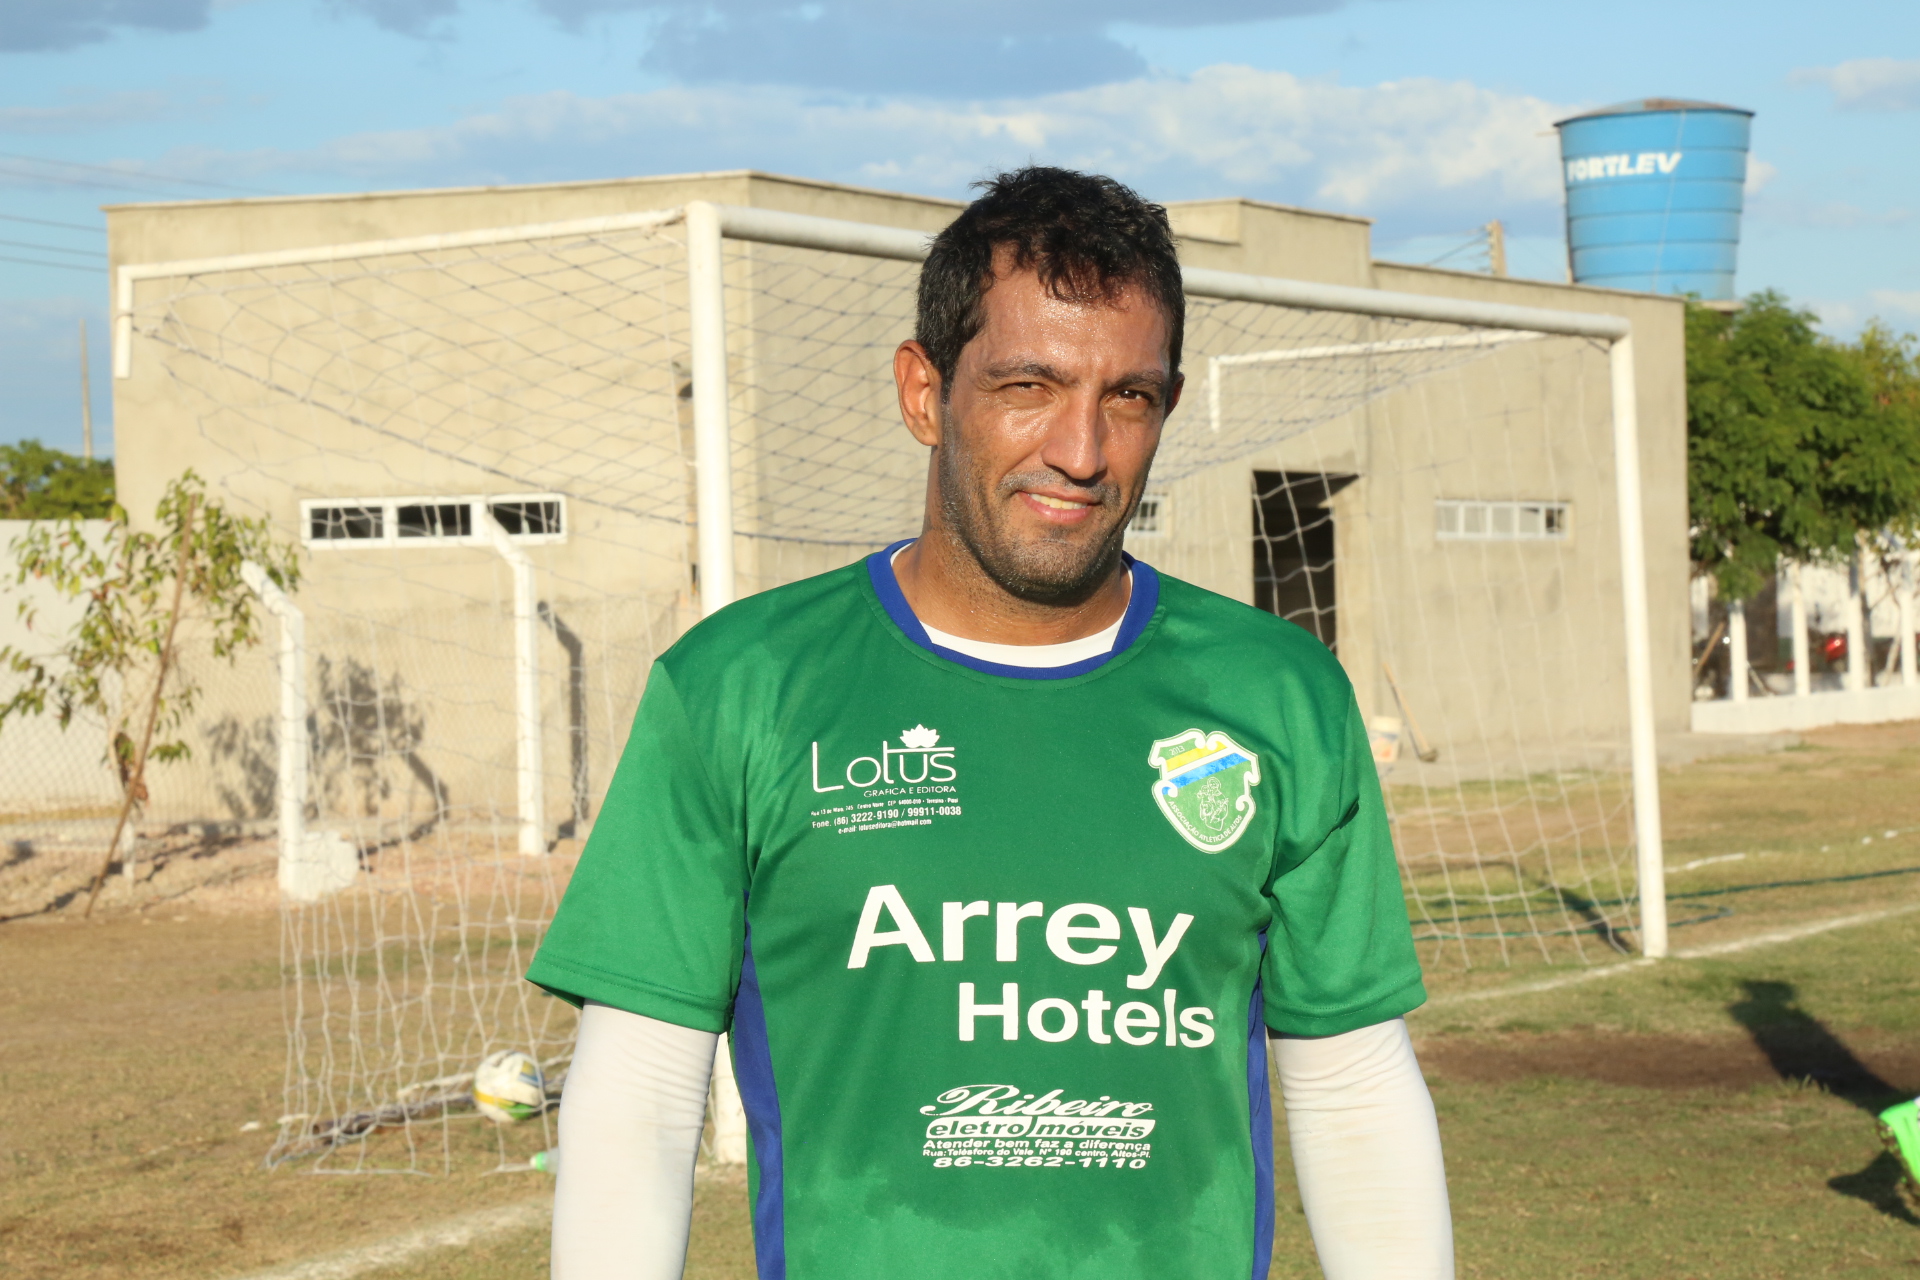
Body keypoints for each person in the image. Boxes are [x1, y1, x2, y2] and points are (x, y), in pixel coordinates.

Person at [527, 166, 1452, 1280]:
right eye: (1029, 385)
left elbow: (1351, 1084)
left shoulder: (1278, 694)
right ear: (925, 392)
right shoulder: (739, 687)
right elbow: (640, 1093)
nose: (1081, 448)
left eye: (1129, 396)